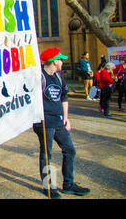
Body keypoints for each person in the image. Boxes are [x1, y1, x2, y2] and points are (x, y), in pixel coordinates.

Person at [33, 47, 90, 199]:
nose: (62, 62)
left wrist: (66, 117)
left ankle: (68, 184)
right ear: (53, 61)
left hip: (59, 121)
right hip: (44, 122)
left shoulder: (59, 77)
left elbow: (64, 97)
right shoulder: (38, 77)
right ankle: (49, 187)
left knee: (70, 150)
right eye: (60, 59)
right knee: (47, 154)